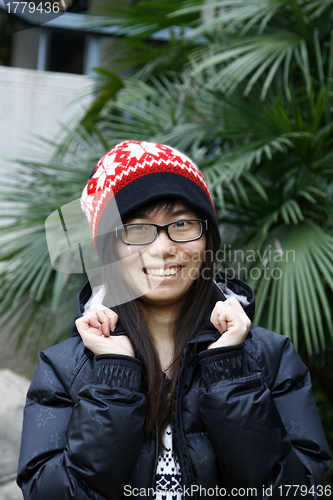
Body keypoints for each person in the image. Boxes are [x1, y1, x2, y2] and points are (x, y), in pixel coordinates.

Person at [17, 141, 331, 500]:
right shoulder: (64, 367)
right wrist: (114, 376)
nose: (163, 247)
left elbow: (297, 491)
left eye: (181, 223)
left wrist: (229, 373)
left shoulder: (269, 357)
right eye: (137, 228)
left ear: (208, 238)